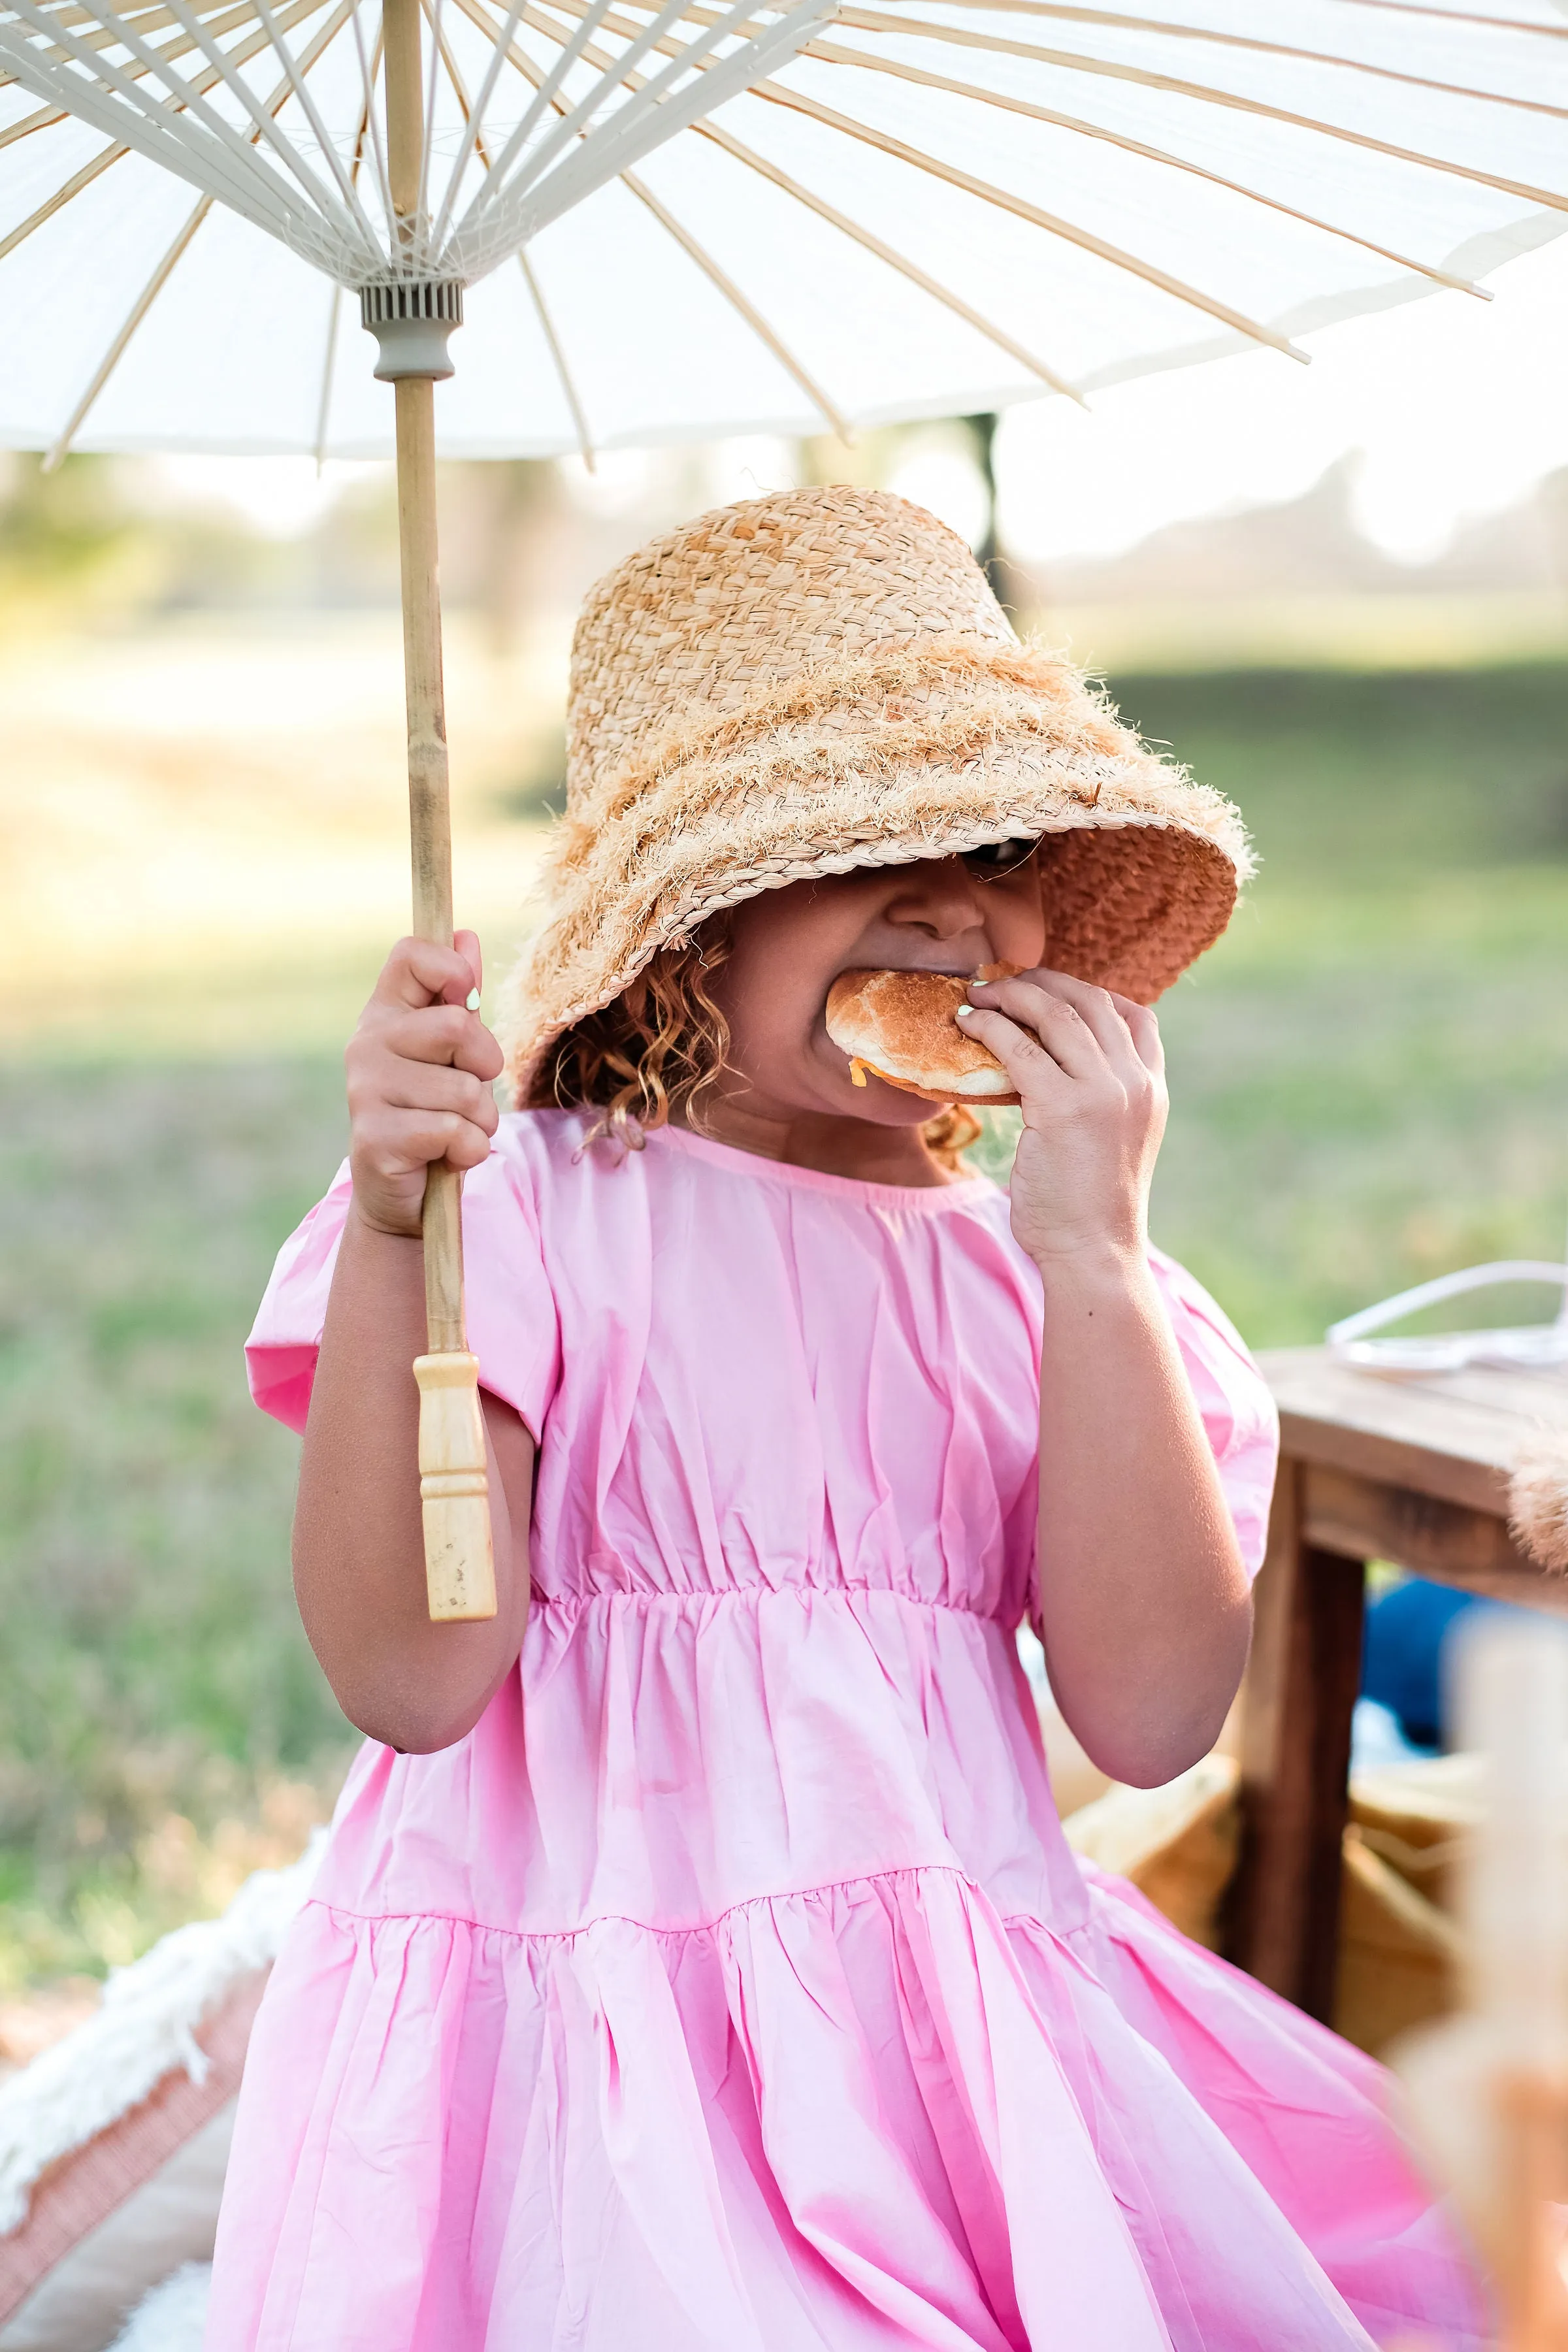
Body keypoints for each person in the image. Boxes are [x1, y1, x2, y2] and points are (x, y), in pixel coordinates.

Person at [209, 489, 1482, 2350]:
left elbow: (1147, 1719)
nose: (950, 903)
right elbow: (410, 1677)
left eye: (995, 845)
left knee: (1434, 2253)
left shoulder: (1050, 1282)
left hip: (942, 2056)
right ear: (682, 930)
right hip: (584, 2048)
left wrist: (1100, 1268)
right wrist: (406, 1227)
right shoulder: (527, 1219)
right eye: (858, 843)